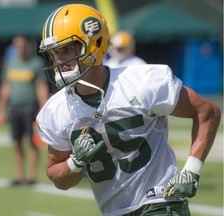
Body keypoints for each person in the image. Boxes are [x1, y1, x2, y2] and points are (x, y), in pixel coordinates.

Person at [36, 4, 221, 216]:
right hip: (114, 211)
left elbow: (207, 112)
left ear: (94, 44)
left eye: (66, 49)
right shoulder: (56, 110)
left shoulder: (142, 82)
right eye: (54, 53)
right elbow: (58, 177)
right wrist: (74, 162)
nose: (59, 61)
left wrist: (191, 170)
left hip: (161, 202)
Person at [0, 35, 49, 186]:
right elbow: (5, 87)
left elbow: (41, 88)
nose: (20, 48)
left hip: (30, 108)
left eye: (22, 45)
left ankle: (32, 177)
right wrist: (0, 109)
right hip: (14, 108)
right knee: (17, 143)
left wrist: (43, 110)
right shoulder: (11, 64)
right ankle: (19, 177)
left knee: (32, 143)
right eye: (17, 45)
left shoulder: (36, 63)